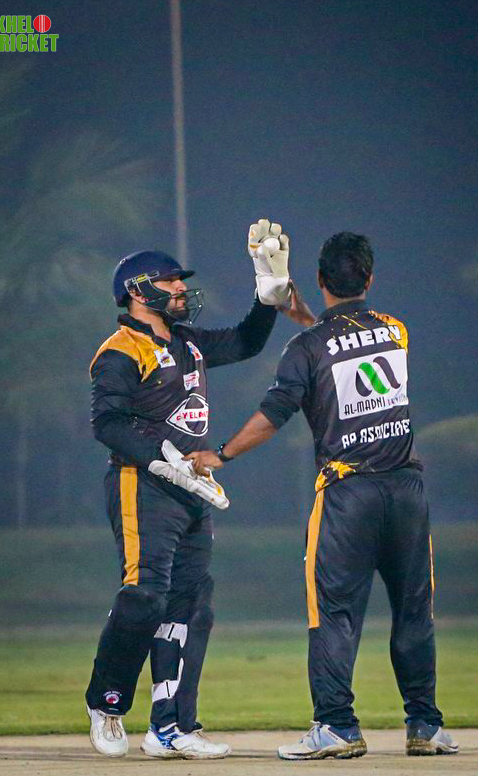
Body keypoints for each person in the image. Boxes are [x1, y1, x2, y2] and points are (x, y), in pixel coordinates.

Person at [187, 231, 459, 760]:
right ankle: (425, 725)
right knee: (414, 611)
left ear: (319, 278)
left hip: (348, 496)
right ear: (370, 278)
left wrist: (220, 454)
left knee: (334, 613)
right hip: (406, 492)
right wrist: (307, 317)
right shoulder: (395, 331)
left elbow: (276, 412)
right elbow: (348, 349)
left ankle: (337, 726)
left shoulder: (305, 348)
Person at [85, 219, 307, 759]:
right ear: (139, 292)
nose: (181, 289)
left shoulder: (186, 341)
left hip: (192, 491)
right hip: (142, 484)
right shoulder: (120, 349)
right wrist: (159, 460)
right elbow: (106, 423)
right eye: (170, 281)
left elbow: (247, 342)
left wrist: (267, 293)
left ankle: (171, 727)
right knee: (144, 596)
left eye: (181, 282)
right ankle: (107, 701)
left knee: (190, 606)